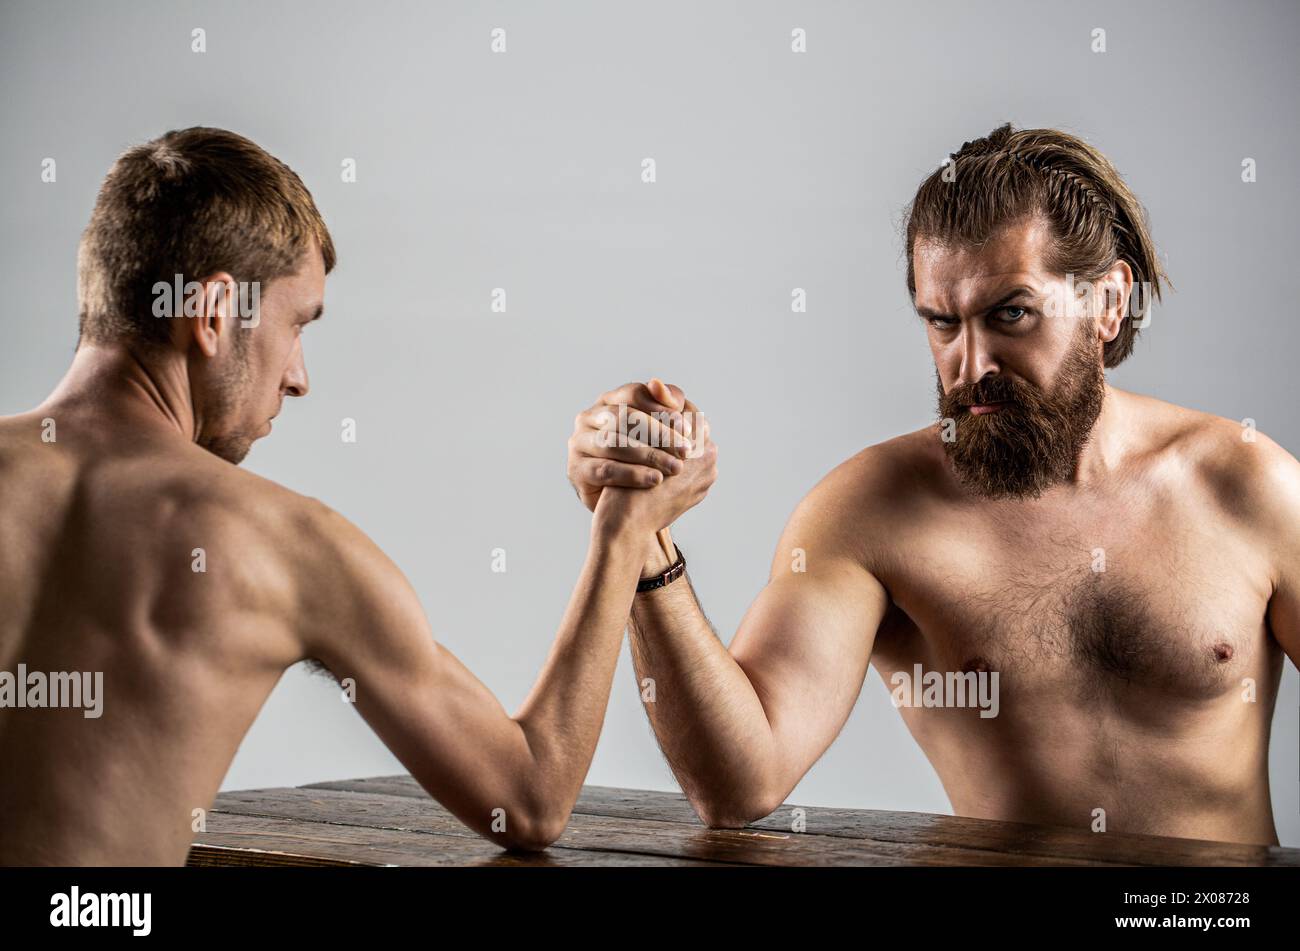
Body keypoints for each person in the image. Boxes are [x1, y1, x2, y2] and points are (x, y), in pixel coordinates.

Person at [0, 127, 717, 864]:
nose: (299, 377)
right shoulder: (285, 545)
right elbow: (529, 797)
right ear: (213, 312)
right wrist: (624, 532)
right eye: (297, 323)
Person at [567, 124, 1300, 845]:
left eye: (1010, 314)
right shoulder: (870, 514)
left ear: (1109, 303)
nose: (971, 362)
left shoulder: (1248, 485)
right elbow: (739, 783)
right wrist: (641, 532)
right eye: (942, 323)